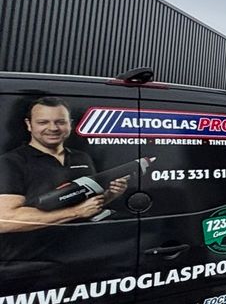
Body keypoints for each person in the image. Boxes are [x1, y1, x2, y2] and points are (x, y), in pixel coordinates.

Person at [0, 96, 132, 237]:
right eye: (43, 122)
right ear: (29, 124)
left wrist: (111, 194)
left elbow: (89, 205)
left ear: (70, 124)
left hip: (82, 246)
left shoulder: (81, 157)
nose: (53, 128)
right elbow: (5, 221)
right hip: (34, 250)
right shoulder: (11, 162)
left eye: (60, 122)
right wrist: (75, 212)